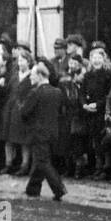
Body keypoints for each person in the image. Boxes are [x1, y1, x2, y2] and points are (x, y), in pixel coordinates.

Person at [21, 63, 67, 200]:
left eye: (33, 75)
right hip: (53, 132)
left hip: (38, 132)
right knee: (40, 161)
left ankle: (59, 189)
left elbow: (24, 112)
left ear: (40, 75)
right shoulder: (57, 92)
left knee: (43, 162)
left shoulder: (36, 92)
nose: (30, 78)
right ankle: (32, 189)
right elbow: (61, 112)